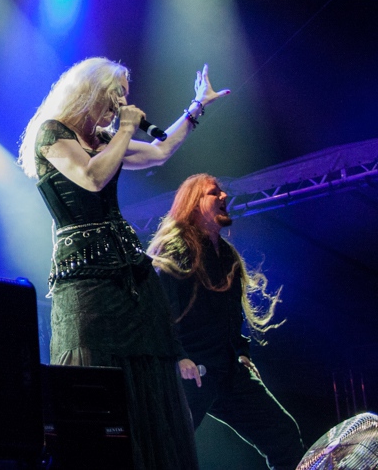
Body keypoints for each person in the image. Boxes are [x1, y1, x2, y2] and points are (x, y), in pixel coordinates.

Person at [17, 57, 229, 470]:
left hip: (134, 280)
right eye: (116, 94)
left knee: (148, 379)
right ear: (90, 91)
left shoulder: (104, 138)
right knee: (94, 374)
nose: (121, 104)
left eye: (124, 96)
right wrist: (126, 130)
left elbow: (160, 151)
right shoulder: (53, 134)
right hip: (86, 280)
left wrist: (196, 107)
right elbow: (91, 177)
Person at [148, 174, 305, 470]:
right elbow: (159, 311)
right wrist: (178, 356)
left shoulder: (227, 256)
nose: (223, 197)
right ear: (194, 205)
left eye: (222, 192)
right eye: (214, 192)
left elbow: (231, 314)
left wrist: (241, 351)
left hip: (228, 369)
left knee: (282, 433)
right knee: (169, 448)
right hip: (193, 369)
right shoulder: (175, 250)